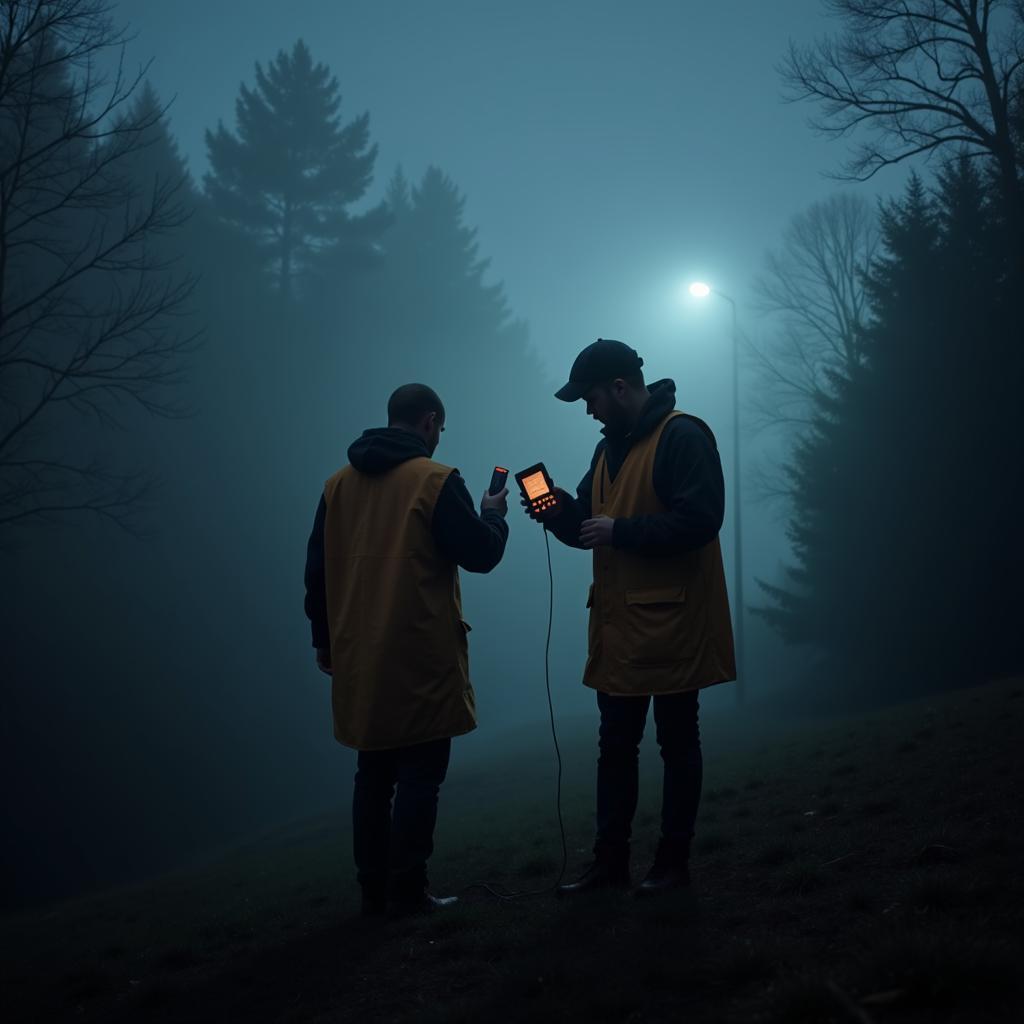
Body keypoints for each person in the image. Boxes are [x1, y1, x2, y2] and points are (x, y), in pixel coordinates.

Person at [523, 339, 735, 896]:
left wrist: (622, 532)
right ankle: (609, 865)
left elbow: (703, 520)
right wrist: (554, 512)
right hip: (619, 633)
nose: (587, 409)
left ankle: (672, 863)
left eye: (590, 398)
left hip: (673, 627)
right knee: (614, 748)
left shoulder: (683, 435)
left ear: (619, 388)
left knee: (676, 743)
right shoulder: (606, 451)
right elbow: (589, 528)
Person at [304, 383, 509, 915]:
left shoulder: (336, 487)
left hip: (360, 656)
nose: (439, 438)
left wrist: (324, 643)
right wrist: (493, 514)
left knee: (372, 777)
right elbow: (481, 555)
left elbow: (316, 575)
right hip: (420, 653)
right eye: (440, 428)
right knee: (421, 774)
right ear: (430, 421)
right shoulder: (436, 481)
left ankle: (372, 891)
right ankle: (409, 888)